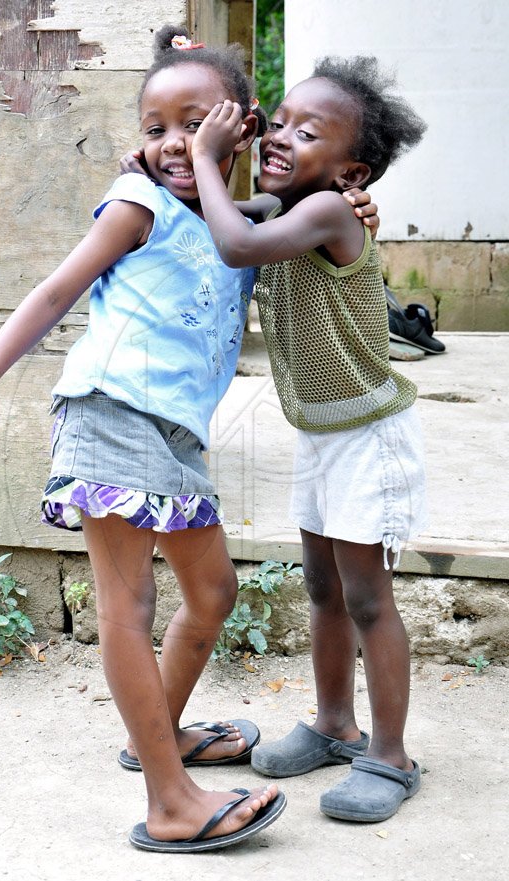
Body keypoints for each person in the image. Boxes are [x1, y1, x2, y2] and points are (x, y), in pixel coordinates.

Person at [0, 24, 288, 853]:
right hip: (110, 411)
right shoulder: (137, 205)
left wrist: (353, 196)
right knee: (128, 604)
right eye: (154, 128)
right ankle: (172, 799)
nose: (172, 144)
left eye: (193, 122)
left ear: (239, 126)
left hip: (173, 436)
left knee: (212, 595)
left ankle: (154, 735)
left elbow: (291, 188)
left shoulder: (238, 223)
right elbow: (58, 287)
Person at [189, 56, 428, 823]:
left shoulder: (326, 214)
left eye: (307, 131)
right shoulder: (278, 206)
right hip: (322, 434)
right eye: (279, 121)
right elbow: (217, 213)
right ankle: (333, 722)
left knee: (365, 594)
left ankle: (389, 755)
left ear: (352, 169)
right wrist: (197, 156)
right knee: (323, 587)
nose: (282, 136)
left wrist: (204, 156)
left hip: (370, 435)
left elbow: (234, 243)